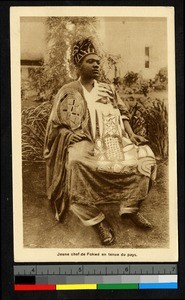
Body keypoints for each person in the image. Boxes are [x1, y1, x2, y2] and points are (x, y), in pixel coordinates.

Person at [44, 38, 157, 246]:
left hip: (113, 139)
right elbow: (55, 124)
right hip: (85, 142)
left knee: (145, 158)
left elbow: (122, 113)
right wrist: (68, 135)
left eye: (98, 61)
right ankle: (96, 219)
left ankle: (130, 208)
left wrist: (131, 135)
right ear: (79, 65)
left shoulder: (108, 89)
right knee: (75, 163)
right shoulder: (69, 90)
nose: (96, 65)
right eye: (90, 61)